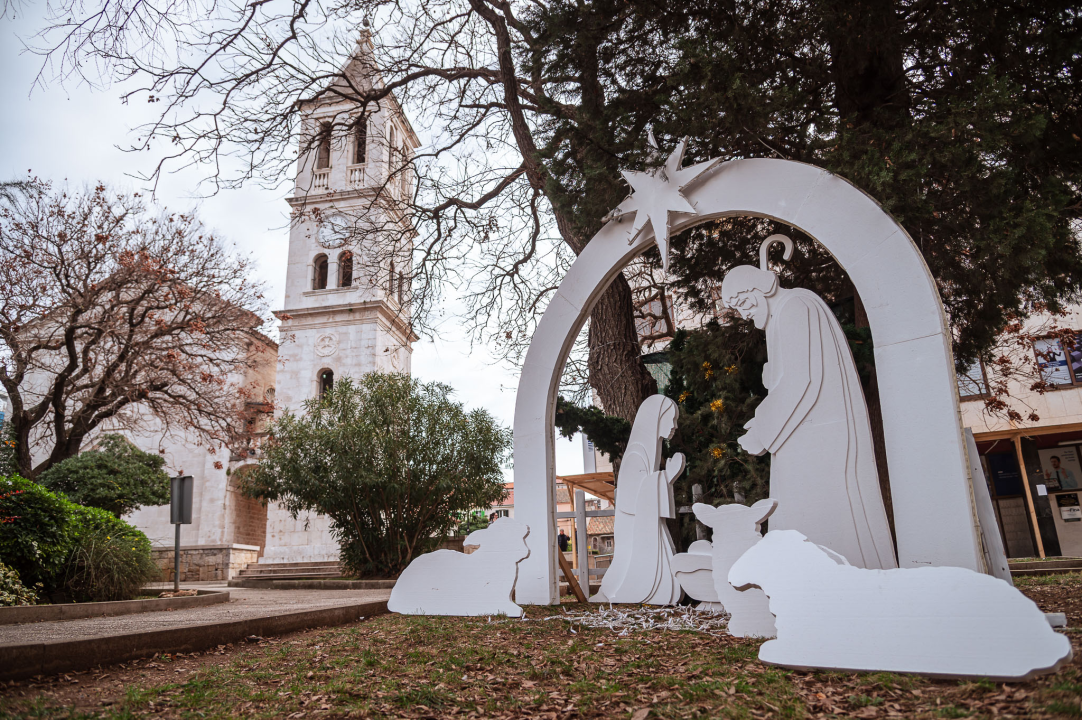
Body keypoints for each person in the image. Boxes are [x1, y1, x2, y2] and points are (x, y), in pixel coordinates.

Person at [720, 241, 897, 570]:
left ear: (763, 287)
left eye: (744, 301)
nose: (744, 313)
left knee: (821, 511)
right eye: (738, 308)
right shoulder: (782, 317)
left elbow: (802, 381)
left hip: (817, 435)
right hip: (804, 432)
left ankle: (837, 582)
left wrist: (761, 428)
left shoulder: (795, 306)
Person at [591, 394, 684, 605]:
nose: (675, 425)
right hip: (636, 528)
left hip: (644, 525)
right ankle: (631, 590)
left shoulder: (647, 452)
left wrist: (664, 479)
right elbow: (633, 500)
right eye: (671, 418)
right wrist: (666, 477)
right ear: (657, 418)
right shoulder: (636, 454)